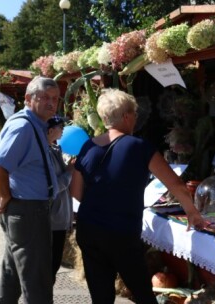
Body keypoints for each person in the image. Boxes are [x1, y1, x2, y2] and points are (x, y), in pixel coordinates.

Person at [70, 89, 205, 304]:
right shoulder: (139, 147)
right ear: (125, 116)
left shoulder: (87, 147)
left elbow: (75, 192)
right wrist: (192, 213)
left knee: (101, 297)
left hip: (90, 229)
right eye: (134, 113)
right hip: (121, 232)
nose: (136, 118)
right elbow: (176, 184)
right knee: (143, 294)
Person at [0, 76, 60, 304]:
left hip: (26, 210)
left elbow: (14, 169)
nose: (51, 103)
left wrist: (6, 191)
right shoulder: (24, 127)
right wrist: (6, 194)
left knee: (13, 275)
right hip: (28, 212)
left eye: (55, 99)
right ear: (28, 99)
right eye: (45, 97)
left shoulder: (33, 124)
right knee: (36, 284)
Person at [46, 115, 74, 285]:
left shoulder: (54, 149)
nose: (63, 128)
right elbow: (53, 187)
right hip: (53, 219)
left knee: (54, 264)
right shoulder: (44, 154)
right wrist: (69, 172)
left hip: (60, 217)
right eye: (59, 126)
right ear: (50, 130)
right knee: (51, 265)